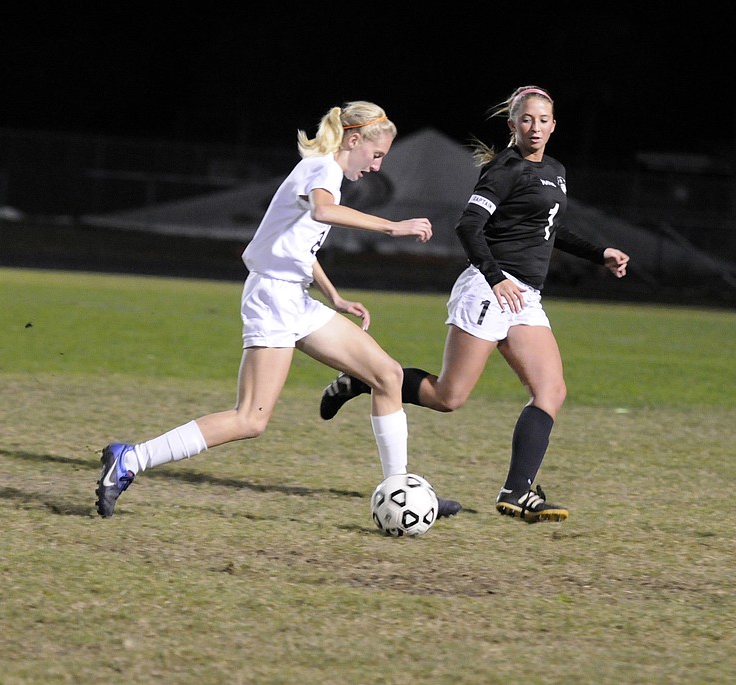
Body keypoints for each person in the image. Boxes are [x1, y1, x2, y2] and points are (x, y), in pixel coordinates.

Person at [95, 101, 462, 519]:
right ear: (354, 140)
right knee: (250, 419)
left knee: (388, 375)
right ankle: (131, 458)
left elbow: (300, 245)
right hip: (272, 298)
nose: (377, 166)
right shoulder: (321, 169)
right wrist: (393, 226)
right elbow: (323, 211)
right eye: (376, 155)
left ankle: (400, 489)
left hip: (295, 299)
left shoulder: (326, 174)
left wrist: (334, 296)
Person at [319, 86, 630, 523]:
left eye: (543, 120)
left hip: (525, 297)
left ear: (554, 125)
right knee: (448, 397)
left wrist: (600, 253)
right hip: (488, 288)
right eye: (526, 119)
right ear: (512, 125)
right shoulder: (505, 168)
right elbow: (469, 226)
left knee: (551, 391)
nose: (535, 127)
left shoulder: (556, 171)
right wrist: (496, 277)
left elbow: (548, 228)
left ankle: (517, 492)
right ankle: (363, 379)